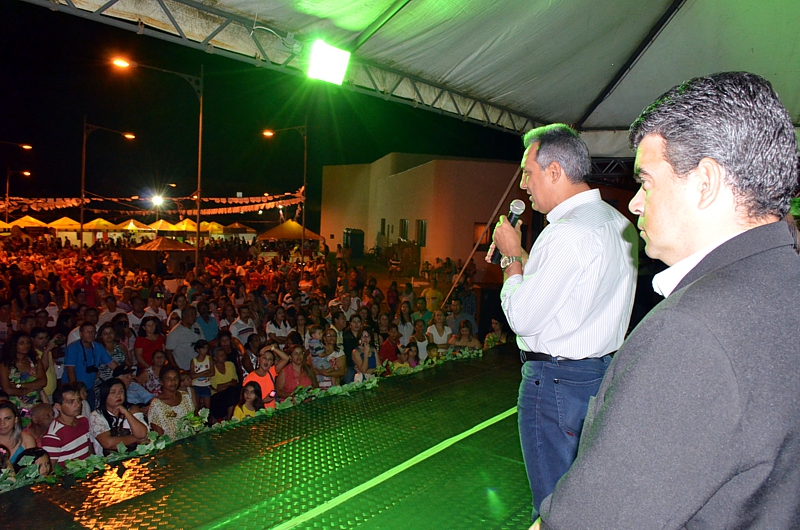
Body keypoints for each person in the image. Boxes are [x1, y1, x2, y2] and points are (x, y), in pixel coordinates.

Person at [536, 73, 800, 529]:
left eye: (647, 181)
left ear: (706, 182)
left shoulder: (692, 333)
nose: (635, 203)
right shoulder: (783, 284)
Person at [490, 123, 637, 520]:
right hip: (599, 376)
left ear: (554, 171)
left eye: (528, 172)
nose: (524, 185)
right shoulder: (618, 223)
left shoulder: (566, 234)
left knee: (555, 504)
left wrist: (512, 257)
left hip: (555, 384)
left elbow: (521, 316)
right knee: (586, 496)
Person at [89, 378, 149, 456]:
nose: (118, 395)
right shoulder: (96, 415)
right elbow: (108, 443)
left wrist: (126, 413)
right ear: (105, 395)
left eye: (121, 391)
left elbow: (141, 434)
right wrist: (136, 438)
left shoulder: (132, 409)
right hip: (108, 461)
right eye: (113, 392)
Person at [43, 382, 93, 466]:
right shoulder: (53, 435)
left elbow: (88, 447)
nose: (77, 405)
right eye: (71, 402)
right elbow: (50, 468)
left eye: (78, 400)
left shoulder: (83, 420)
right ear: (58, 406)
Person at [0, 332, 47, 410]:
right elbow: (7, 390)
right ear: (14, 345)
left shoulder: (34, 361)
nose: (26, 345)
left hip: (35, 404)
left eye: (28, 343)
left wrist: (19, 385)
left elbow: (43, 382)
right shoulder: (5, 365)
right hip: (15, 405)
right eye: (21, 343)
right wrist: (31, 389)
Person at [147, 366, 194, 439]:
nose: (173, 381)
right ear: (161, 382)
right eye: (169, 379)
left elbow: (193, 421)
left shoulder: (185, 396)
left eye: (176, 378)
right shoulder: (157, 404)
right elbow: (158, 435)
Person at [243, 345, 289, 410]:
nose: (266, 361)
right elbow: (246, 401)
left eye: (270, 359)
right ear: (259, 359)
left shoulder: (271, 372)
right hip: (258, 414)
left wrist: (272, 348)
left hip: (272, 412)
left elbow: (286, 358)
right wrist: (263, 401)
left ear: (272, 363)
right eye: (264, 358)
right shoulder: (250, 377)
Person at [165, 305, 203, 370]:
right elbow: (168, 351)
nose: (194, 317)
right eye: (192, 314)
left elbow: (203, 343)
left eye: (195, 314)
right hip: (184, 368)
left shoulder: (197, 326)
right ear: (184, 315)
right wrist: (176, 368)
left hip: (199, 366)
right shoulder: (175, 332)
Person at [0, 401, 36, 466]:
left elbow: (31, 470)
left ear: (16, 419)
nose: (2, 423)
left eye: (7, 419)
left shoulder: (26, 439)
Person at [209, 347, 238, 421]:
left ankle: (228, 418)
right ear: (215, 358)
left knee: (231, 391)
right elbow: (216, 388)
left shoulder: (230, 364)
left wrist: (224, 385)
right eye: (221, 355)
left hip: (229, 394)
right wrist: (229, 383)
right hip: (217, 396)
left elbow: (235, 382)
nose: (223, 356)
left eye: (224, 354)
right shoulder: (212, 368)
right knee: (230, 391)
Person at [189, 340, 213, 412]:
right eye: (203, 348)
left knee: (207, 408)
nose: (205, 350)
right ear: (198, 350)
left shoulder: (209, 359)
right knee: (197, 407)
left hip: (206, 385)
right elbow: (192, 376)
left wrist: (197, 374)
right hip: (196, 385)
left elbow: (212, 373)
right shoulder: (193, 361)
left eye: (206, 348)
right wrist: (205, 371)